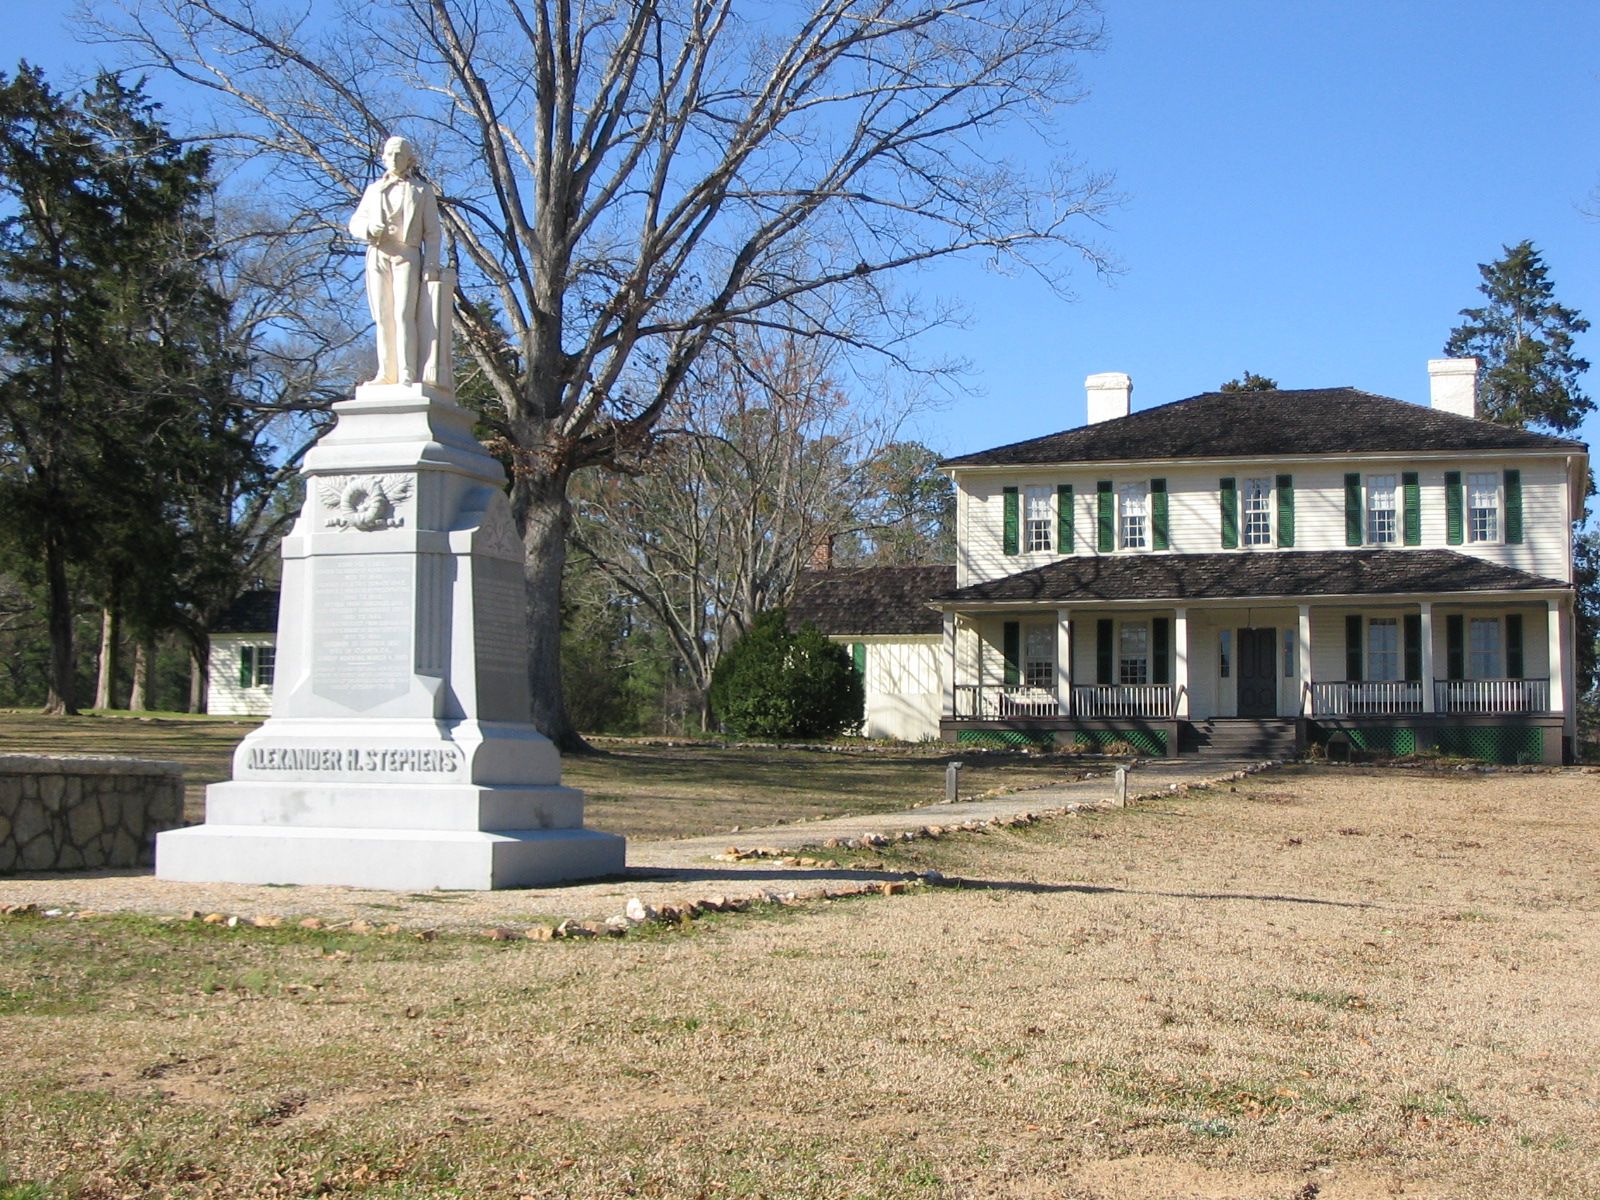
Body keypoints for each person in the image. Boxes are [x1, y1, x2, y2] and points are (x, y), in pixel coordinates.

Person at [348, 136, 440, 386]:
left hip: (407, 254)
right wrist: (369, 229)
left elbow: (432, 232)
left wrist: (431, 264)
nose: (393, 159)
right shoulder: (374, 190)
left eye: (399, 154)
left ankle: (407, 372)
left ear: (410, 160)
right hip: (378, 253)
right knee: (383, 315)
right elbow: (355, 223)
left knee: (403, 313)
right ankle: (386, 373)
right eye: (389, 154)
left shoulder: (422, 191)